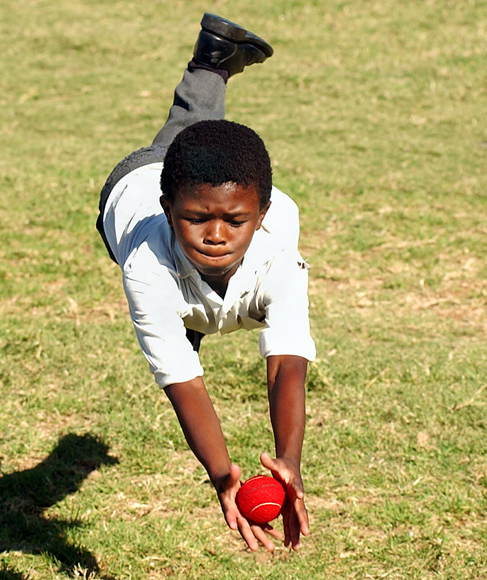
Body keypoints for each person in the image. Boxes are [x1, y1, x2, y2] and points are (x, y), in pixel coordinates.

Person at [96, 13, 316, 552]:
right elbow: (184, 384)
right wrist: (223, 476)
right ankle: (208, 65)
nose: (215, 235)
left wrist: (288, 459)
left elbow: (287, 362)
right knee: (184, 137)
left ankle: (214, 57)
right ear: (170, 212)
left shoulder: (278, 251)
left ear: (262, 214)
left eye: (236, 222)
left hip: (208, 198)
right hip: (138, 181)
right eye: (197, 221)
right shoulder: (146, 262)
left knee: (207, 158)